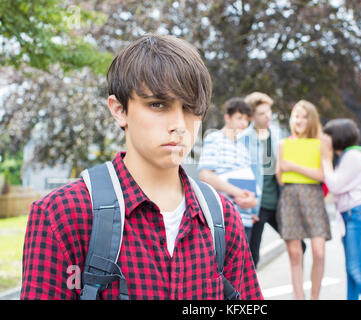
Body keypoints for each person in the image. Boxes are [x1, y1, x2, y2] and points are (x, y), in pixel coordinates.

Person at [20, 34, 262, 300]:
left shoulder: (223, 219)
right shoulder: (62, 215)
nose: (179, 124)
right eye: (158, 104)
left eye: (191, 107)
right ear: (119, 109)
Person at [238, 92, 307, 269]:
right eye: (262, 113)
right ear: (252, 117)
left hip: (278, 202)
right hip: (257, 206)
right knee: (251, 257)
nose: (267, 116)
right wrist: (247, 209)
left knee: (300, 245)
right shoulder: (244, 139)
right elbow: (242, 174)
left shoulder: (277, 134)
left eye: (268, 111)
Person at [276, 100, 331, 300]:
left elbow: (322, 174)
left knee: (319, 252)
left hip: (313, 199)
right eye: (296, 116)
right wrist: (286, 169)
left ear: (312, 119)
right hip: (290, 198)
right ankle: (298, 297)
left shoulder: (322, 143)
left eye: (304, 116)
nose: (299, 120)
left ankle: (314, 297)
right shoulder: (283, 144)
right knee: (295, 254)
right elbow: (280, 177)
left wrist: (293, 166)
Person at [321, 118, 361, 300]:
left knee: (355, 268)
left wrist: (326, 161)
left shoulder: (352, 156)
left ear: (337, 136)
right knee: (351, 269)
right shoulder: (347, 156)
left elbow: (335, 186)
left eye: (327, 135)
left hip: (357, 214)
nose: (324, 138)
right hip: (352, 215)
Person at [198, 97, 258, 241]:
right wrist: (238, 193)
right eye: (239, 118)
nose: (244, 123)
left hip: (245, 219)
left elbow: (252, 186)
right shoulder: (214, 139)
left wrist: (252, 203)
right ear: (227, 118)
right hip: (223, 218)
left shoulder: (243, 148)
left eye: (246, 119)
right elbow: (205, 175)